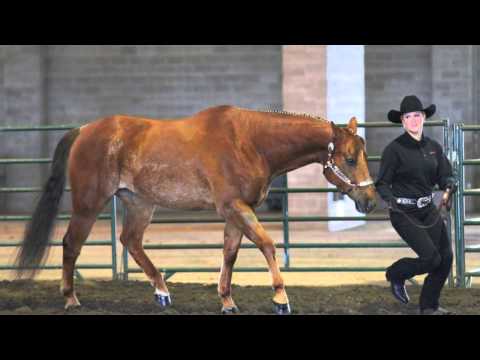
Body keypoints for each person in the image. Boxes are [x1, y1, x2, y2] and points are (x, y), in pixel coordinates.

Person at [375, 95, 457, 315]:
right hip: (404, 212)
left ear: (423, 118)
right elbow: (382, 182)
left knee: (446, 258)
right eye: (408, 116)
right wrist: (390, 200)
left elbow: (445, 174)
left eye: (417, 115)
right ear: (402, 121)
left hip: (428, 209)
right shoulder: (394, 150)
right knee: (431, 258)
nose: (413, 120)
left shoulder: (433, 147)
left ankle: (429, 306)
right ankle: (396, 274)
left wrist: (449, 183)